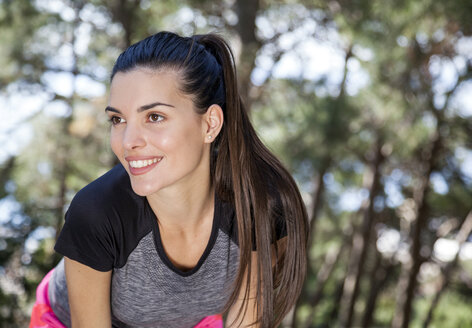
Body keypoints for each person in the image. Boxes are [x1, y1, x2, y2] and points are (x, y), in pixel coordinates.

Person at [29, 31, 309, 328]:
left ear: (210, 124)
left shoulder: (257, 204)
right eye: (117, 119)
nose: (128, 141)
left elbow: (247, 322)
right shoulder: (97, 213)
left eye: (154, 117)